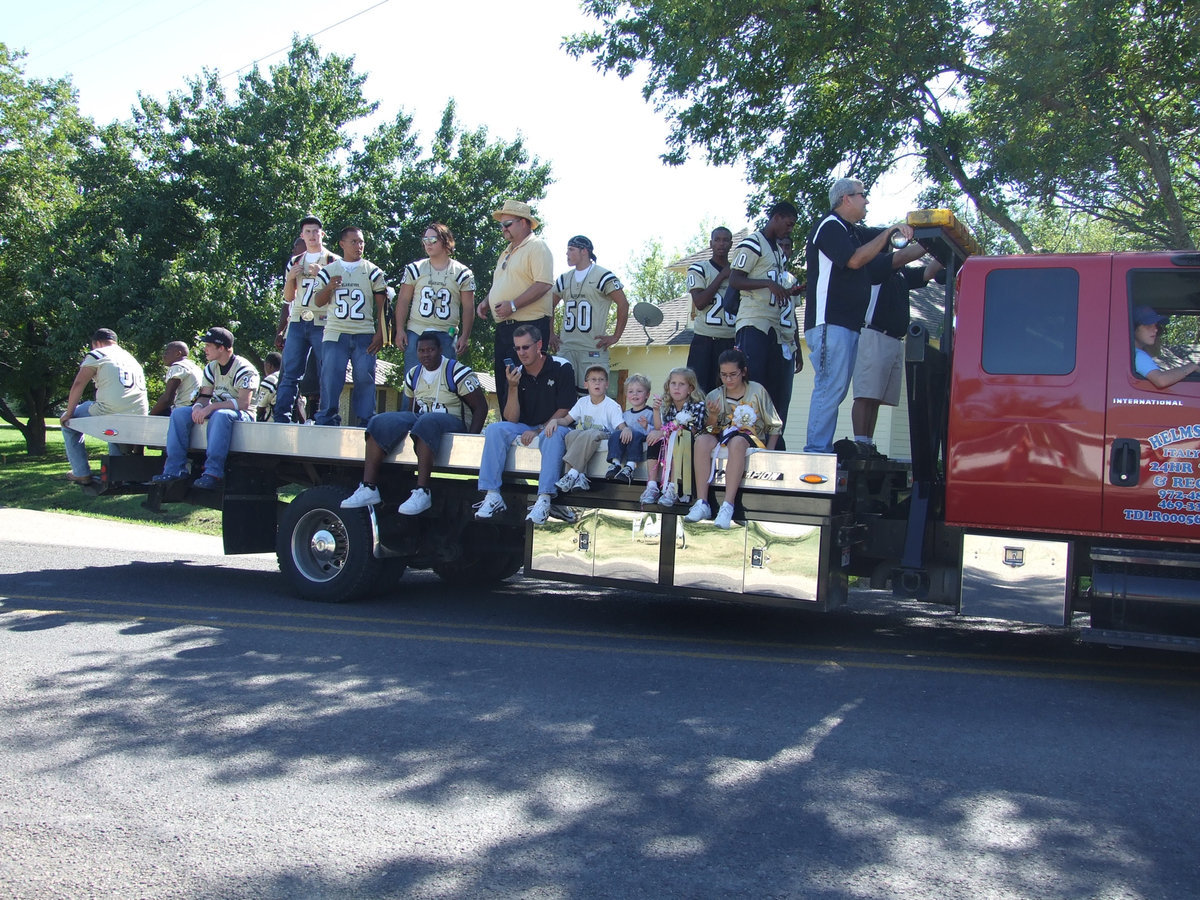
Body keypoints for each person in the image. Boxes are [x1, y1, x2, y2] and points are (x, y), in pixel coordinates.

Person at [803, 177, 923, 453]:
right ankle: (816, 451)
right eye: (862, 195)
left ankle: (819, 448)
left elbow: (891, 250)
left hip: (848, 325)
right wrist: (890, 231)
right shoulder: (830, 225)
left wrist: (927, 242)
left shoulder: (853, 232)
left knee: (837, 390)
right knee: (829, 387)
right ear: (846, 198)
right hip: (828, 322)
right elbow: (855, 259)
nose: (867, 200)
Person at [341, 331, 488, 515]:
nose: (426, 355)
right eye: (421, 350)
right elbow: (411, 413)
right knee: (379, 421)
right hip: (426, 421)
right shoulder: (414, 374)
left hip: (454, 422)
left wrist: (470, 439)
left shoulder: (456, 371)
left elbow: (481, 407)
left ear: (440, 350)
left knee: (427, 420)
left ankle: (422, 491)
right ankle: (368, 487)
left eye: (431, 350)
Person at [473, 324, 577, 525]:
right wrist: (512, 387)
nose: (521, 353)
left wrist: (538, 430)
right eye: (517, 348)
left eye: (526, 347)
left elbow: (565, 409)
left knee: (552, 433)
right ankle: (493, 494)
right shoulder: (516, 372)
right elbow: (511, 418)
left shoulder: (561, 366)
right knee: (495, 429)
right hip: (525, 427)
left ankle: (544, 499)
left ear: (539, 345)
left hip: (557, 424)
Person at [848, 257, 944, 456]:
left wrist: (941, 252)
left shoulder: (902, 273)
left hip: (895, 339)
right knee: (865, 394)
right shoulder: (875, 267)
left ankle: (868, 443)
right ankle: (860, 443)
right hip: (874, 334)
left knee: (876, 398)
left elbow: (928, 272)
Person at [150, 327, 259, 490]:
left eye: (208, 345)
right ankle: (175, 469)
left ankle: (213, 472)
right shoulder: (211, 367)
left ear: (221, 347)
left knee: (221, 415)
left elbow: (243, 404)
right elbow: (205, 396)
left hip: (243, 414)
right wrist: (198, 407)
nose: (205, 349)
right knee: (179, 413)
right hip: (217, 410)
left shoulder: (244, 368)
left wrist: (211, 408)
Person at [685, 349, 782, 529]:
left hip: (750, 438)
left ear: (743, 372)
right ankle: (702, 502)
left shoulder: (757, 391)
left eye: (733, 375)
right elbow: (708, 429)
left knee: (737, 442)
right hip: (721, 437)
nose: (728, 380)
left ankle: (728, 505)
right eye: (724, 375)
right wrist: (713, 416)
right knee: (701, 441)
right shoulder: (714, 395)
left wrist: (769, 452)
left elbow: (774, 425)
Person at [476, 200, 554, 410]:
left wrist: (512, 305)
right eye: (501, 225)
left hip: (530, 325)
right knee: (504, 380)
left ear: (523, 222)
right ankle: (509, 429)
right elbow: (502, 283)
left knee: (527, 381)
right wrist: (486, 301)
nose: (503, 229)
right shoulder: (507, 251)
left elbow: (544, 284)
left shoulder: (537, 246)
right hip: (505, 327)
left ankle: (529, 432)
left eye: (507, 224)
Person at [311, 226, 388, 427]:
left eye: (361, 241)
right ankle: (327, 417)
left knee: (365, 375)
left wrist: (382, 333)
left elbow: (382, 306)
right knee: (331, 375)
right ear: (342, 244)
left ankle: (366, 419)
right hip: (336, 332)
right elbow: (317, 302)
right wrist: (329, 288)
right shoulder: (329, 271)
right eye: (353, 241)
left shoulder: (373, 271)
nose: (359, 246)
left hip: (364, 332)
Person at [729, 202, 798, 413]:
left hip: (774, 326)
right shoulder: (753, 243)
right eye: (788, 224)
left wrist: (787, 291)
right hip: (753, 322)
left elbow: (775, 286)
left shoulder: (777, 251)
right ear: (776, 217)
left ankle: (769, 439)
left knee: (772, 385)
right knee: (754, 380)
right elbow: (735, 280)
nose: (789, 229)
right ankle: (747, 433)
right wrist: (768, 284)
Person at [60, 328, 149, 485]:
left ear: (97, 343)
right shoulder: (130, 358)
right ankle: (118, 474)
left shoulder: (98, 354)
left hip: (110, 410)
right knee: (113, 429)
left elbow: (79, 384)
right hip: (140, 413)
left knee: (68, 424)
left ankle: (81, 472)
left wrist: (68, 413)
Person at [274, 218, 339, 423]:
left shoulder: (332, 261)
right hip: (298, 320)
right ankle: (281, 416)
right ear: (302, 235)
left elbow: (339, 294)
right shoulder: (295, 262)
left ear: (322, 234)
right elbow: (288, 297)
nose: (311, 235)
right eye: (307, 231)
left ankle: (325, 416)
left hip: (323, 321)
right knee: (290, 372)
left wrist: (322, 276)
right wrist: (290, 278)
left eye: (315, 231)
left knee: (325, 371)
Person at [393, 223, 475, 375]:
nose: (428, 244)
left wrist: (465, 336)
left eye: (433, 239)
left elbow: (469, 307)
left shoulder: (462, 272)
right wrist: (399, 330)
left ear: (446, 241)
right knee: (413, 380)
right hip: (417, 331)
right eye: (425, 239)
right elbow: (403, 300)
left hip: (447, 333)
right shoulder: (414, 268)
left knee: (446, 383)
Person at [550, 235, 629, 393]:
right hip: (567, 347)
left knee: (594, 398)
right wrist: (550, 333)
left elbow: (623, 304)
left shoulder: (602, 276)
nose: (567, 254)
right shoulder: (564, 278)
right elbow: (548, 306)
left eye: (571, 250)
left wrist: (615, 336)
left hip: (591, 348)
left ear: (584, 251)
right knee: (562, 396)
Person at [552, 365, 626, 493]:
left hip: (605, 436)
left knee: (589, 433)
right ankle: (582, 477)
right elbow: (566, 420)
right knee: (572, 434)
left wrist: (626, 429)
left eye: (601, 380)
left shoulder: (612, 406)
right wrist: (554, 421)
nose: (597, 382)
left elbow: (621, 426)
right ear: (586, 384)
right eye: (593, 380)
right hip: (588, 436)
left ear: (607, 384)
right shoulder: (582, 402)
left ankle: (572, 473)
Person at [685, 226, 736, 393]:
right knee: (697, 392)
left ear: (731, 244)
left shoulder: (739, 272)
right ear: (711, 243)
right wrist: (722, 276)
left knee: (727, 392)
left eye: (725, 240)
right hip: (704, 339)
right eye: (717, 240)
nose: (721, 244)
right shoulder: (699, 268)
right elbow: (699, 302)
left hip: (730, 339)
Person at [646, 367, 707, 507]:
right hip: (669, 441)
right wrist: (656, 411)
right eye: (673, 383)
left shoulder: (698, 406)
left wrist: (663, 433)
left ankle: (673, 487)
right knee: (653, 438)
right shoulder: (668, 405)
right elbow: (659, 429)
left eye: (682, 384)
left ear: (690, 388)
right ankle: (652, 486)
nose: (676, 388)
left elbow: (692, 431)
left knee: (678, 440)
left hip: (688, 445)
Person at [771, 234, 806, 448]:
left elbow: (792, 315)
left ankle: (778, 439)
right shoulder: (763, 274)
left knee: (783, 396)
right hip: (767, 340)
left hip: (787, 343)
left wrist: (798, 349)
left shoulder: (791, 279)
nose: (784, 249)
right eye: (780, 245)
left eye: (787, 246)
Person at [1133, 305, 1200, 388]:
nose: (1156, 329)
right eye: (1148, 325)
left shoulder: (1135, 353)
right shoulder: (1138, 355)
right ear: (1133, 328)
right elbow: (1161, 380)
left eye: (1155, 325)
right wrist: (1191, 367)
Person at [607, 373, 653, 485]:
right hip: (626, 441)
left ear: (647, 395)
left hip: (640, 439)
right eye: (631, 391)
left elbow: (656, 430)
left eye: (639, 391)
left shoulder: (650, 412)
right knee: (615, 434)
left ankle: (630, 467)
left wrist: (646, 426)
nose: (635, 394)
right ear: (627, 395)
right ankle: (615, 463)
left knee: (635, 434)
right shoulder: (625, 414)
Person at [148, 341, 202, 417]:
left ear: (178, 354)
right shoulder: (195, 367)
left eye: (167, 352)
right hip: (196, 408)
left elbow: (167, 398)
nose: (163, 356)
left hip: (182, 411)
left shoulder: (178, 366)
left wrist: (148, 417)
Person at [256, 351, 282, 422]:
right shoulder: (289, 378)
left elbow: (261, 406)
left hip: (272, 424)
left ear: (269, 365)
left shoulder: (271, 379)